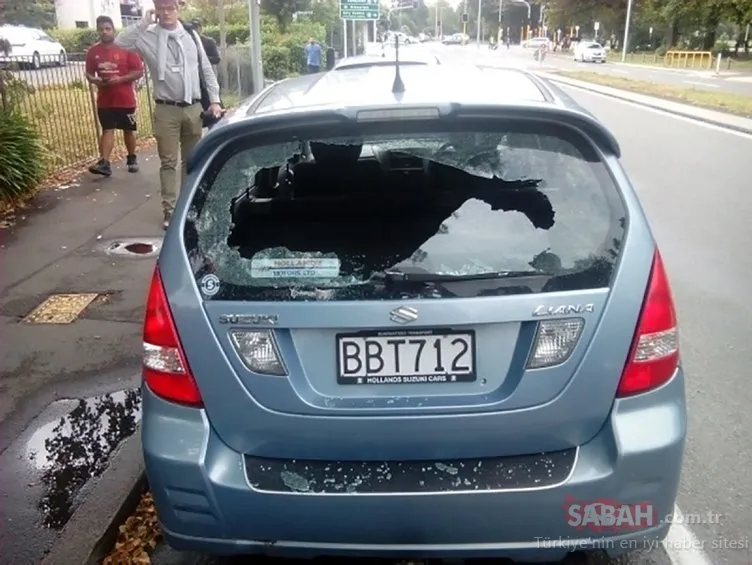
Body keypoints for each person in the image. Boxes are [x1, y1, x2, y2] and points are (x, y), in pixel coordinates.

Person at [115, 0, 222, 230]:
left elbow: (205, 70)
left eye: (170, 8)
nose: (166, 13)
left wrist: (214, 100)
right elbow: (121, 42)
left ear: (178, 9)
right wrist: (143, 23)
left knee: (191, 162)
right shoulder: (148, 36)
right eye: (161, 8)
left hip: (193, 108)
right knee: (168, 162)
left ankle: (188, 208)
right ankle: (170, 212)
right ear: (156, 10)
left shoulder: (191, 36)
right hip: (166, 109)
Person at [85, 15, 144, 177]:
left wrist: (121, 79)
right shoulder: (93, 51)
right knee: (107, 129)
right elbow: (88, 73)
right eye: (101, 29)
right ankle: (104, 163)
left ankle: (131, 157)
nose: (104, 32)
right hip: (105, 100)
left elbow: (139, 71)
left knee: (128, 130)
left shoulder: (126, 48)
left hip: (125, 99)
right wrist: (96, 80)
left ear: (113, 30)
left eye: (107, 29)